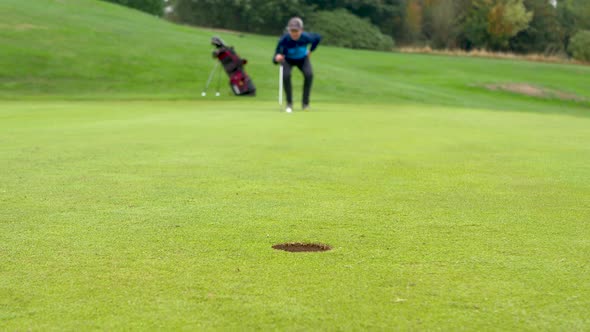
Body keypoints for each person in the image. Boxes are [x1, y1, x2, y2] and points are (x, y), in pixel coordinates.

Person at [273, 17, 321, 112]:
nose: (294, 33)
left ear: (301, 30)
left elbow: (318, 38)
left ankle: (305, 104)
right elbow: (276, 54)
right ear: (289, 30)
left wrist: (311, 51)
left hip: (302, 59)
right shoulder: (284, 39)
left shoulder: (306, 37)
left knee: (309, 75)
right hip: (288, 60)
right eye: (292, 31)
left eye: (296, 31)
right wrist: (276, 58)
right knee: (286, 76)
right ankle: (289, 103)